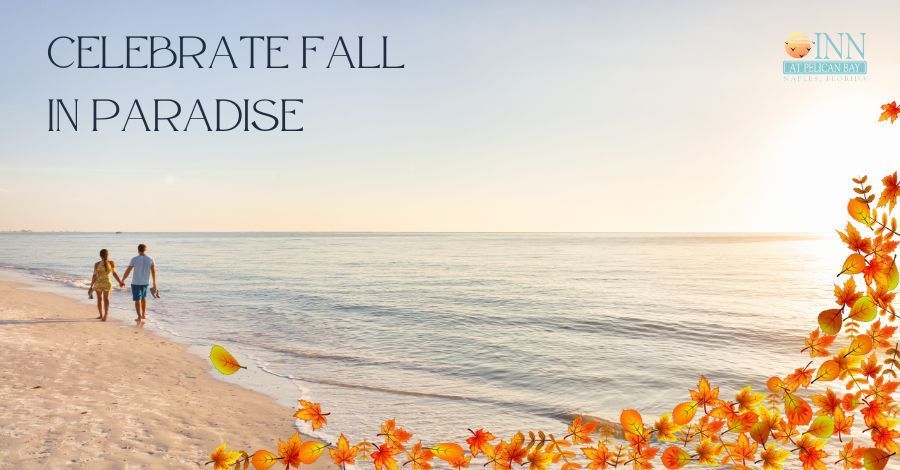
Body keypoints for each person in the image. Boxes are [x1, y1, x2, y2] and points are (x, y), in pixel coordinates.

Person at [120, 243, 158, 324]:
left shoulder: (134, 259)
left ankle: (139, 316)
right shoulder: (150, 259)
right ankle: (143, 315)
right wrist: (154, 282)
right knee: (144, 298)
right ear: (145, 250)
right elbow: (153, 271)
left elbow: (128, 271)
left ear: (138, 250)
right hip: (145, 282)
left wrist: (123, 279)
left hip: (136, 282)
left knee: (137, 300)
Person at [87, 249, 124, 321]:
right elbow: (114, 273)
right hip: (107, 283)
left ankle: (101, 315)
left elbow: (94, 275)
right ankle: (105, 315)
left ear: (100, 255)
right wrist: (120, 282)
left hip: (98, 283)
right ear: (108, 255)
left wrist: (91, 286)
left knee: (99, 299)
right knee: (106, 299)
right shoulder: (111, 263)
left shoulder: (97, 264)